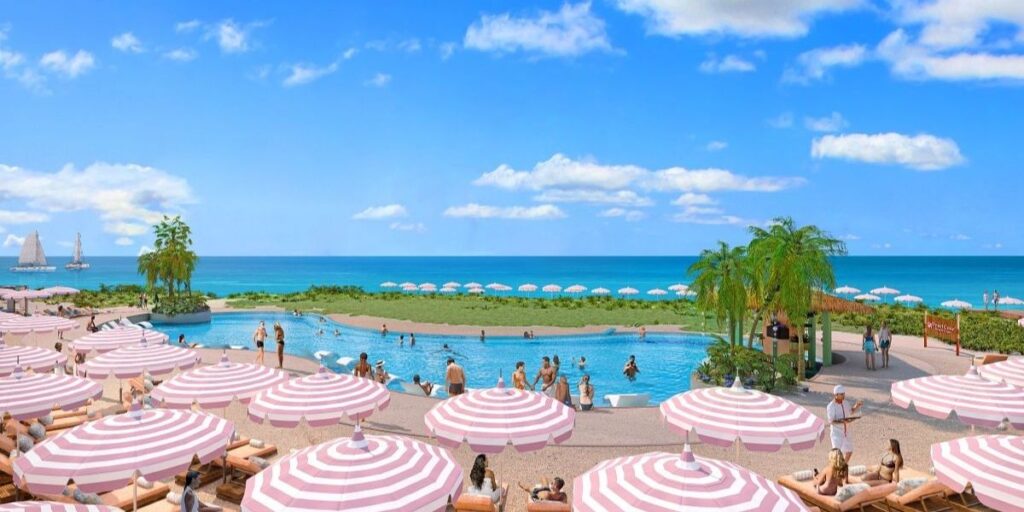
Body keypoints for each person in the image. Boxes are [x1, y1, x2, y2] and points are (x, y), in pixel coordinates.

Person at [827, 384, 863, 463]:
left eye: (844, 394)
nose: (844, 396)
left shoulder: (845, 402)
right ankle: (834, 471)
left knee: (849, 451)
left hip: (847, 432)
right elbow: (831, 421)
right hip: (837, 433)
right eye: (842, 394)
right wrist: (843, 421)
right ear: (836, 395)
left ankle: (844, 467)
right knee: (836, 454)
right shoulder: (831, 406)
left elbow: (850, 411)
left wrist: (857, 405)